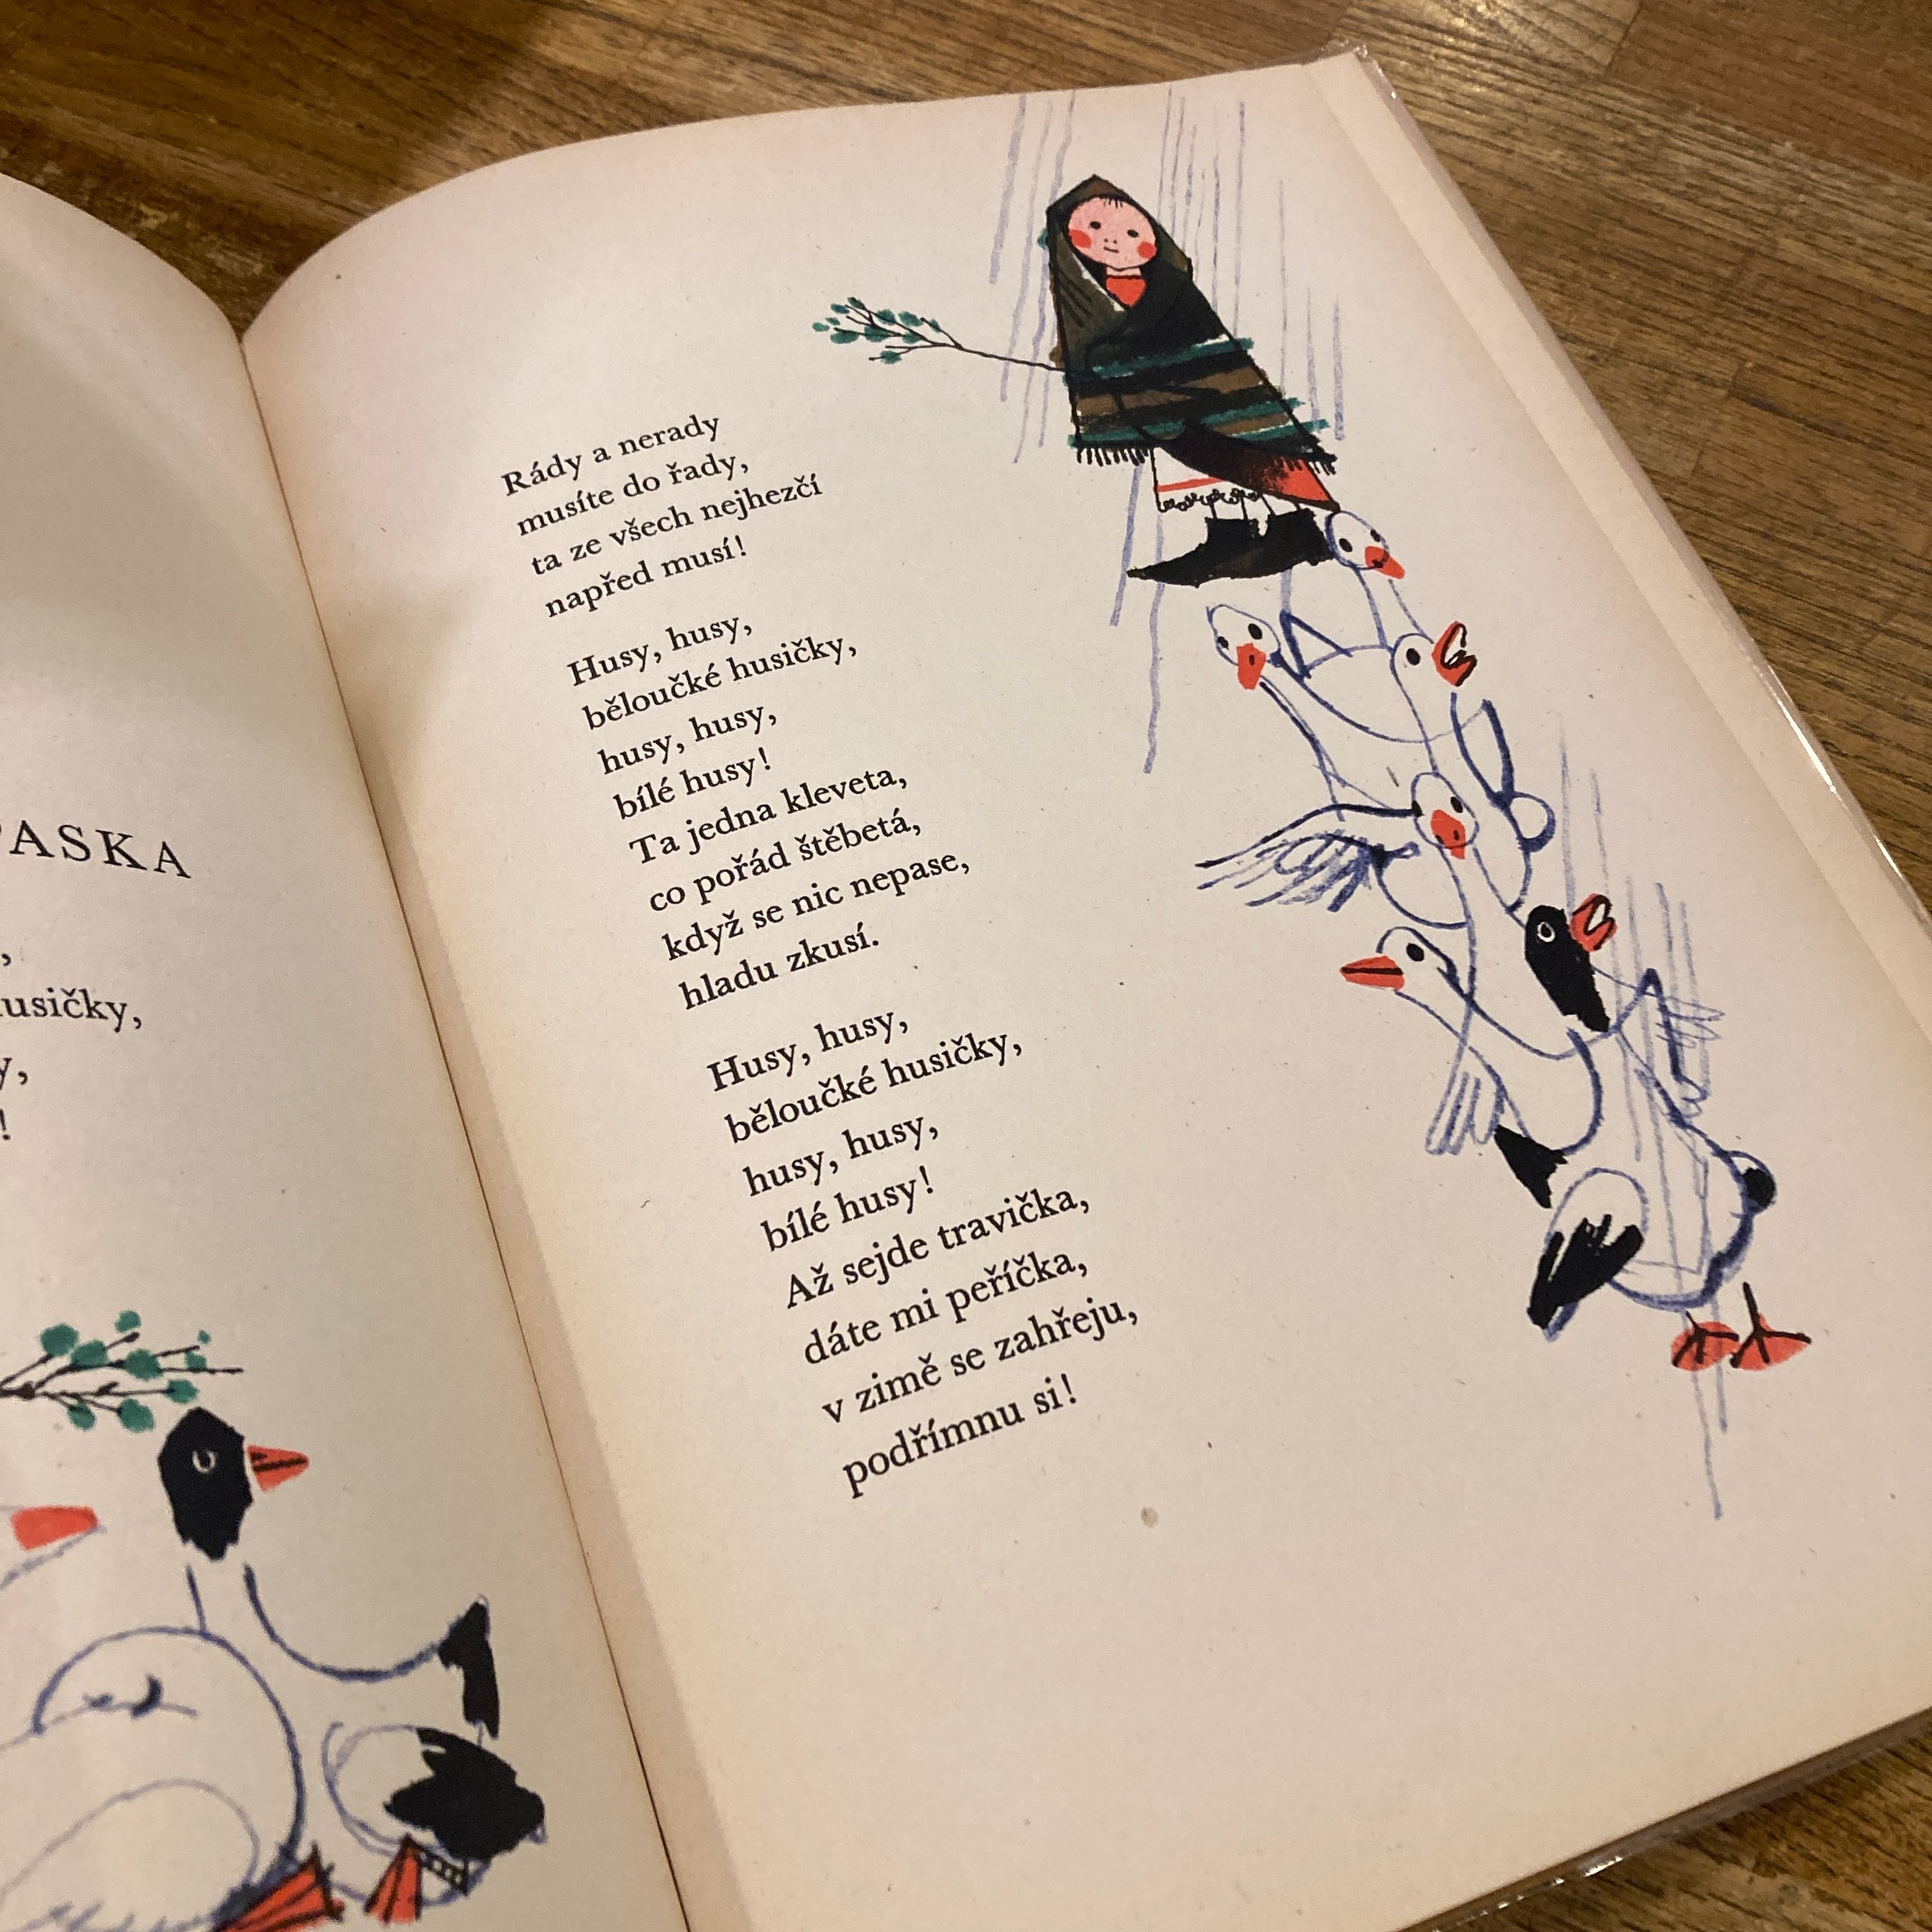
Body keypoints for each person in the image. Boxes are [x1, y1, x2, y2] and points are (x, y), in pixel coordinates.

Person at [1045, 174, 1339, 585]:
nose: (1113, 240)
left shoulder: (1169, 285)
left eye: (1131, 232)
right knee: (1196, 462)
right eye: (1094, 227)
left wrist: (1108, 353)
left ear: (1153, 239)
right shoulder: (1095, 300)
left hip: (1211, 390)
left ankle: (1293, 531)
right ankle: (1229, 538)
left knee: (1247, 454)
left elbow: (1163, 333)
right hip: (1160, 403)